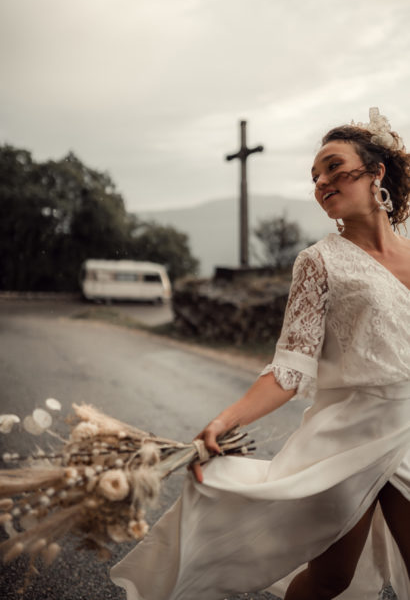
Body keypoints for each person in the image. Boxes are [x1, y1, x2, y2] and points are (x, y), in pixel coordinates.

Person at [111, 108, 410, 600]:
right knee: (329, 581)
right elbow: (290, 368)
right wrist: (224, 420)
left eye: (334, 167)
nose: (322, 182)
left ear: (376, 171)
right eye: (315, 176)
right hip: (347, 442)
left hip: (409, 430)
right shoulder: (318, 262)